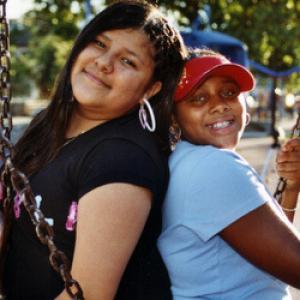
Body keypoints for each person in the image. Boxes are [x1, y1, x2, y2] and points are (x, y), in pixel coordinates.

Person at [1, 1, 186, 299]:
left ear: (150, 89)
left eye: (128, 61)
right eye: (100, 43)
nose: (104, 62)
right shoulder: (47, 124)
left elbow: (89, 294)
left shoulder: (123, 159)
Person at [158, 48, 300, 300]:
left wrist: (290, 189)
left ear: (245, 107)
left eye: (229, 93)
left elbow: (269, 253)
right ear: (174, 117)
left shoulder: (185, 160)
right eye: (198, 98)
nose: (219, 105)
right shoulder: (212, 167)